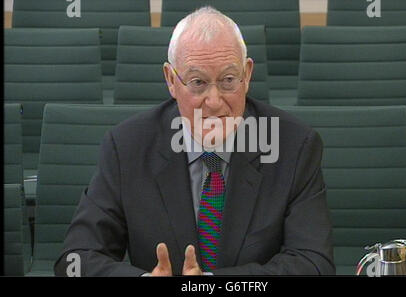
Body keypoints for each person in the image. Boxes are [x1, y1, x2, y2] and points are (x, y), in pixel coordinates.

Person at [54, 6, 335, 276]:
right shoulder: (126, 147)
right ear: (171, 80)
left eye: (228, 80)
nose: (214, 102)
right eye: (198, 82)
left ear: (247, 75)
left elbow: (314, 264)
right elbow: (76, 260)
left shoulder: (294, 146)